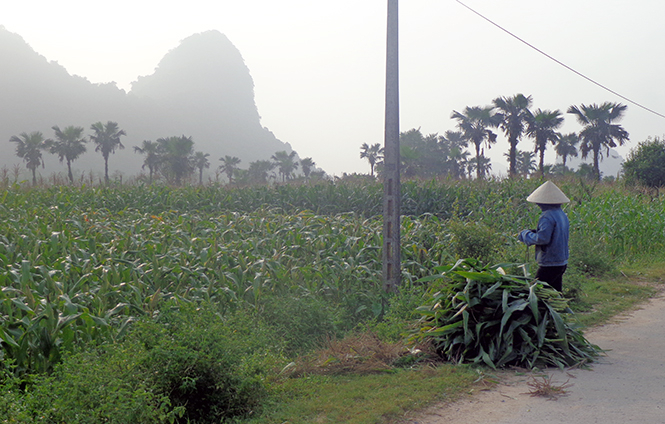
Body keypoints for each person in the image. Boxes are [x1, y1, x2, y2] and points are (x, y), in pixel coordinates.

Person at [518, 181, 570, 292]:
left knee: (537, 291)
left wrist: (525, 235)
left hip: (550, 262)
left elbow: (542, 239)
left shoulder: (547, 216)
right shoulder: (562, 214)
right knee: (555, 292)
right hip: (561, 261)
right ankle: (560, 309)